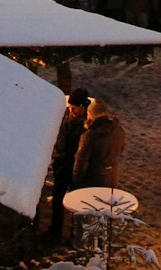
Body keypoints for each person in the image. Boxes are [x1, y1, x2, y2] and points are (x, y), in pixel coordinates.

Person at [45, 89, 91, 239]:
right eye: (70, 107)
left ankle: (75, 235)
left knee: (75, 202)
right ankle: (55, 230)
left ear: (83, 107)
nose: (71, 111)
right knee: (57, 198)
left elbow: (81, 149)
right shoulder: (66, 115)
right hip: (61, 164)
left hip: (74, 167)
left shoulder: (87, 124)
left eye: (75, 108)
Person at [73, 98, 128, 189]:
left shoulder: (90, 135)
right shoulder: (119, 130)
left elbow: (81, 161)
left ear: (91, 114)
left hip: (92, 179)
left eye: (88, 114)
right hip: (112, 177)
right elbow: (121, 149)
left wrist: (76, 181)